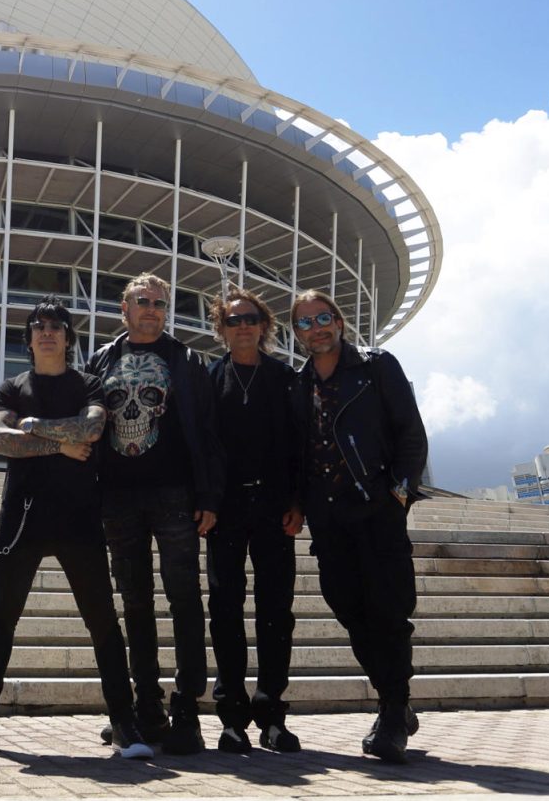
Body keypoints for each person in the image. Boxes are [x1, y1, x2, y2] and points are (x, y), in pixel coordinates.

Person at [0, 298, 154, 760]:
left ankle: (124, 723)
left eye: (57, 326)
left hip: (79, 518)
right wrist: (62, 446)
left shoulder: (89, 383)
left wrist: (37, 429)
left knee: (103, 622)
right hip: (22, 518)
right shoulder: (11, 388)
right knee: (0, 619)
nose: (47, 332)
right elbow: (1, 439)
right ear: (29, 338)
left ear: (68, 337)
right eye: (39, 326)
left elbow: (94, 429)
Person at [87, 273, 225, 755]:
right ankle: (145, 708)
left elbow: (208, 433)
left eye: (160, 303)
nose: (152, 309)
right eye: (142, 301)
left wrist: (208, 496)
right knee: (135, 604)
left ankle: (186, 710)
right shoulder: (100, 360)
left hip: (174, 496)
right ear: (123, 308)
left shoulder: (187, 362)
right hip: (118, 498)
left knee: (185, 601)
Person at [288, 289, 428, 763]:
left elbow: (411, 432)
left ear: (339, 321)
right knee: (349, 609)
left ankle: (391, 712)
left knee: (388, 613)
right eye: (305, 323)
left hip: (376, 509)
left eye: (323, 318)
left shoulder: (376, 365)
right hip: (329, 519)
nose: (316, 328)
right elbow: (297, 453)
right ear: (297, 333)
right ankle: (398, 699)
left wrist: (399, 495)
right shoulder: (298, 382)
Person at [205, 287, 304, 754]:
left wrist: (298, 501)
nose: (242, 326)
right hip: (224, 511)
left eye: (250, 318)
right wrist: (203, 501)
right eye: (232, 320)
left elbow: (300, 446)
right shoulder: (210, 378)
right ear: (221, 329)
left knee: (275, 613)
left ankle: (272, 715)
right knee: (225, 612)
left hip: (273, 509)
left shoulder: (285, 377)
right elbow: (201, 449)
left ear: (264, 325)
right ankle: (232, 718)